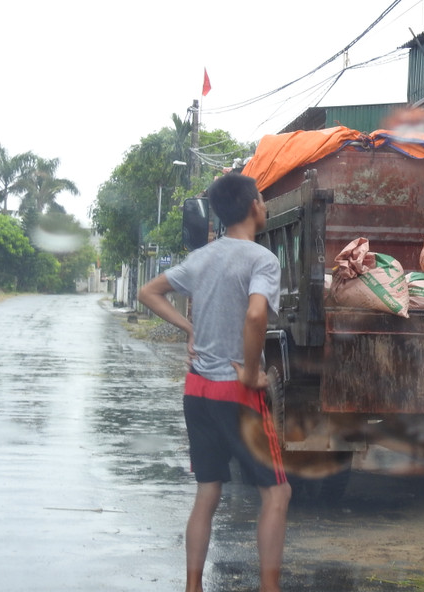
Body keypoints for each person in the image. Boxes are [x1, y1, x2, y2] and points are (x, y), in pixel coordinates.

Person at [138, 172, 291, 592]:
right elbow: (257, 315)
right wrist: (250, 368)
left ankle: (193, 586)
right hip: (235, 391)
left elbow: (147, 292)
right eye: (261, 198)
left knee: (208, 493)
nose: (264, 204)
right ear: (253, 206)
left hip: (197, 390)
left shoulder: (201, 258)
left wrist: (190, 328)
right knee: (277, 495)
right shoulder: (262, 259)